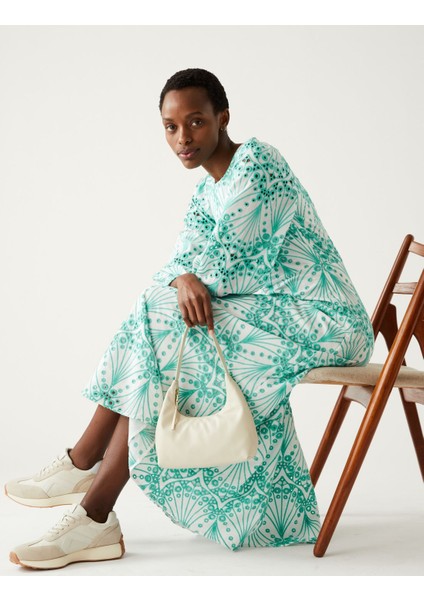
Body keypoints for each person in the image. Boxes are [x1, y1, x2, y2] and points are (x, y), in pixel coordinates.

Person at [5, 68, 375, 570]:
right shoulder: (207, 191)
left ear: (224, 118)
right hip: (276, 318)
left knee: (163, 319)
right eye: (171, 126)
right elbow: (178, 266)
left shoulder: (257, 163)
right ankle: (92, 505)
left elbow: (226, 264)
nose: (183, 137)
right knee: (164, 323)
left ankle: (86, 473)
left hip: (325, 321)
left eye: (196, 121)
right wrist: (182, 277)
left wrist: (184, 279)